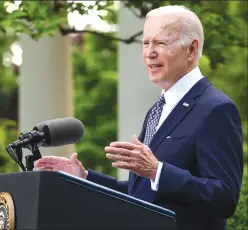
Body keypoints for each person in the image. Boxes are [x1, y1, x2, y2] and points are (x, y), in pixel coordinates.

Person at [34, 5, 243, 230]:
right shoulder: (157, 109)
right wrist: (85, 177)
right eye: (146, 43)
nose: (149, 52)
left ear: (191, 49)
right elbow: (139, 194)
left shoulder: (216, 109)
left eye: (161, 43)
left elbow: (224, 197)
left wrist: (157, 171)